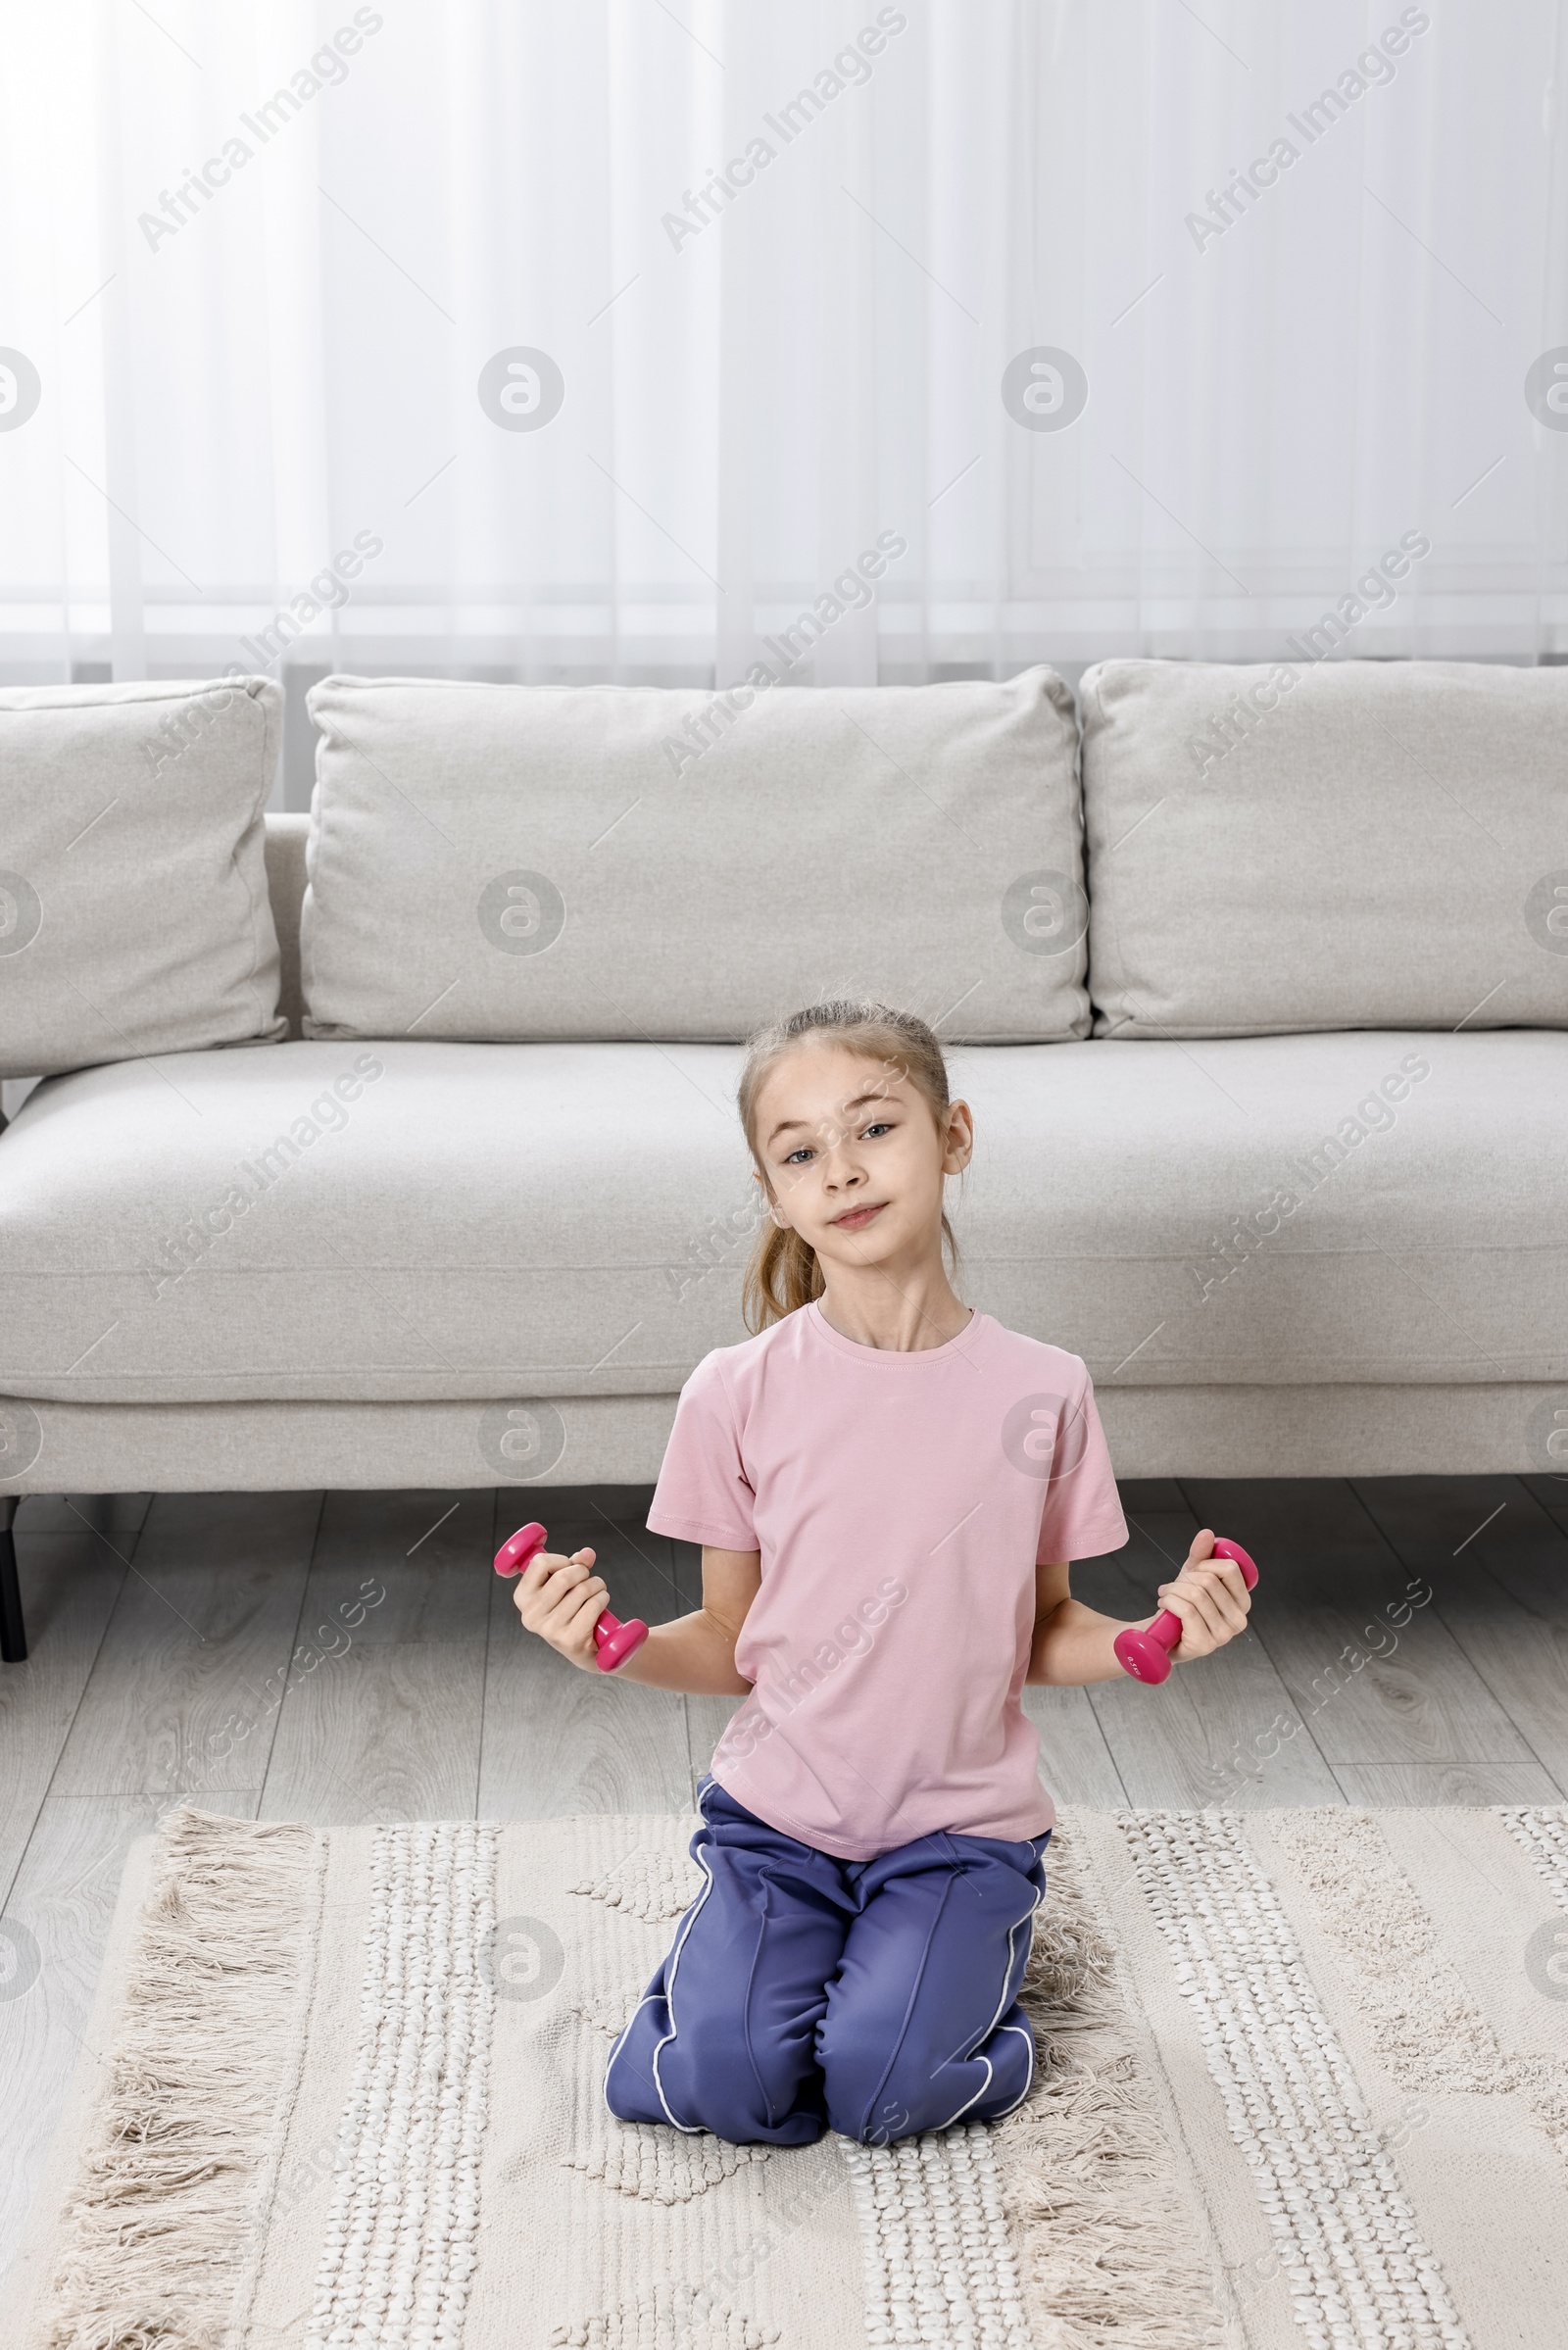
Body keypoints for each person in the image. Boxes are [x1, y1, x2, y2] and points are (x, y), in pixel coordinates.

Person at [510, 999, 1253, 2147]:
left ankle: (978, 2008)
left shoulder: (1043, 1388)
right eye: (801, 1152)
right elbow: (726, 1638)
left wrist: (1157, 1637)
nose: (842, 1172)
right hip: (776, 1823)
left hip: (959, 1832)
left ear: (953, 1134)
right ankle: (719, 1989)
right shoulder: (734, 1388)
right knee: (728, 2083)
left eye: (874, 1129)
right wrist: (609, 1645)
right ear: (773, 1193)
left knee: (880, 2089)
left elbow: (1043, 1627)